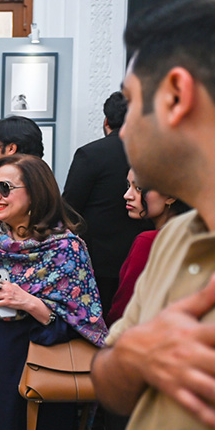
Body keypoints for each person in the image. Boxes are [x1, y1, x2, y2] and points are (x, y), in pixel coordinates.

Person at [91, 0, 215, 430]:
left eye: (133, 102)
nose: (125, 131)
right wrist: (134, 355)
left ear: (176, 96)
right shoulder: (174, 238)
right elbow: (110, 384)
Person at [0, 154, 107, 430]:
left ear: (35, 193)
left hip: (42, 366)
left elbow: (84, 323)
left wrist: (29, 302)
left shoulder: (66, 249)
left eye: (5, 188)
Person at [62, 92, 150, 315]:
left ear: (106, 121)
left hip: (97, 262)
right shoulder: (154, 153)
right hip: (145, 255)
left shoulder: (90, 154)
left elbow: (69, 208)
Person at [106, 169, 190, 327]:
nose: (127, 195)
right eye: (128, 186)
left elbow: (124, 310)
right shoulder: (194, 236)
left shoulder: (149, 242)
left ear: (170, 196)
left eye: (139, 188)